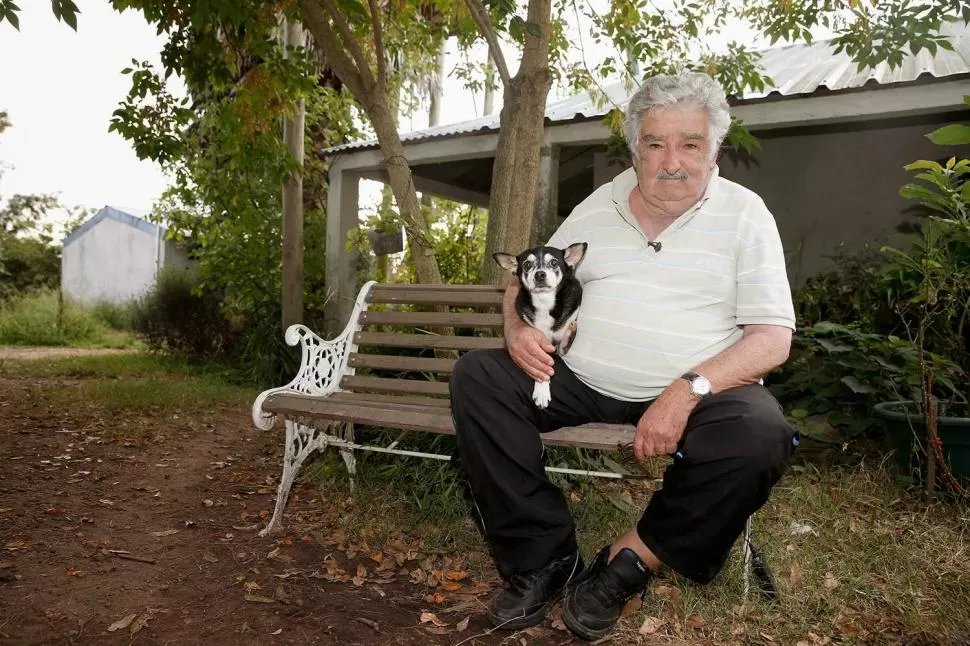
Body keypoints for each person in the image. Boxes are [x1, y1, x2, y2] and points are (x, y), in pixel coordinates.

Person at [448, 71, 799, 641]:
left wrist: (686, 390)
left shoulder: (745, 214)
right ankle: (542, 558)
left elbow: (771, 339)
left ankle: (627, 564)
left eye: (690, 144)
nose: (672, 161)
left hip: (697, 386)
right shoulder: (595, 206)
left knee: (760, 433)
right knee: (479, 376)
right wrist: (517, 331)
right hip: (580, 376)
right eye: (655, 144)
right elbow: (524, 286)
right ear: (635, 150)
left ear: (714, 151)